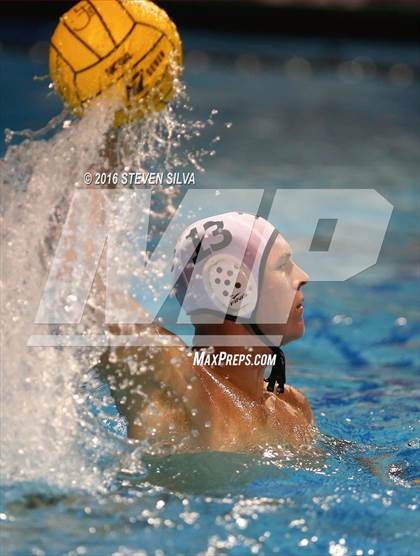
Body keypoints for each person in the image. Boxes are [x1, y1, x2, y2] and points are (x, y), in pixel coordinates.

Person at [98, 211, 315, 453]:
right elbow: (90, 299)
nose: (303, 277)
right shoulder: (180, 384)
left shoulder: (294, 407)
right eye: (283, 266)